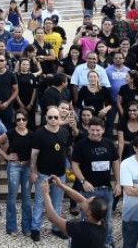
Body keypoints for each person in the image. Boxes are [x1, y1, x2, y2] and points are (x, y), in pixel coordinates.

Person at [70, 117, 119, 247]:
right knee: (87, 219)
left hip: (106, 189)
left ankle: (107, 241)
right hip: (89, 191)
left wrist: (118, 182)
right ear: (88, 129)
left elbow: (115, 162)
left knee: (107, 218)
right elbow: (74, 164)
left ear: (103, 130)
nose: (95, 133)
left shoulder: (109, 144)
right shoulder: (81, 144)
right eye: (92, 130)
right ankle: (86, 243)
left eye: (98, 130)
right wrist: (83, 181)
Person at [30, 106, 71, 241]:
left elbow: (67, 149)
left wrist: (69, 167)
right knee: (40, 201)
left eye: (56, 117)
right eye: (50, 117)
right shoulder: (39, 133)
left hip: (60, 174)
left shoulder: (65, 132)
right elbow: (34, 154)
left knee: (57, 202)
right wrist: (33, 171)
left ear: (59, 118)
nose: (53, 119)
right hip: (44, 174)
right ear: (46, 118)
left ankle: (57, 228)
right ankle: (35, 228)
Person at [39, 176, 108, 248]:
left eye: (87, 200)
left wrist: (45, 193)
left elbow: (52, 218)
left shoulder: (82, 230)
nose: (84, 199)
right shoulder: (100, 222)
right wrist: (61, 185)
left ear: (89, 213)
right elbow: (81, 199)